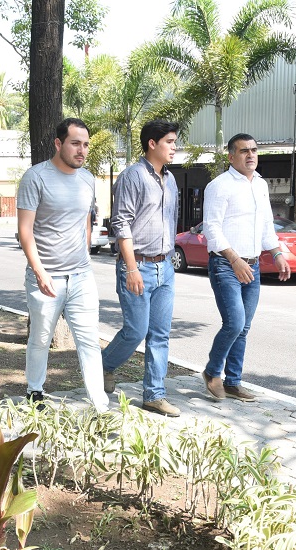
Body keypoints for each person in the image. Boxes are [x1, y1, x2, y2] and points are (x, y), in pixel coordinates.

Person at [16, 118, 109, 413]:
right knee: (41, 338)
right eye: (75, 144)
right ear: (58, 144)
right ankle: (35, 390)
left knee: (90, 341)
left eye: (85, 145)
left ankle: (99, 403)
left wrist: (85, 253)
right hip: (47, 276)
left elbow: (84, 219)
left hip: (81, 274)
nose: (81, 151)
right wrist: (40, 271)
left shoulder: (88, 179)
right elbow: (25, 231)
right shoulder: (36, 177)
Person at [201, 133, 291, 403]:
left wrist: (277, 253)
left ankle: (233, 382)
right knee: (235, 322)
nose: (250, 155)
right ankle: (212, 372)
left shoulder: (260, 186)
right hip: (226, 265)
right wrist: (234, 259)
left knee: (244, 327)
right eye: (243, 151)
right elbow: (211, 229)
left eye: (254, 150)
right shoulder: (219, 186)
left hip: (253, 266)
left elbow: (265, 226)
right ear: (231, 156)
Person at [102, 119, 180, 417]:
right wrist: (132, 268)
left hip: (165, 267)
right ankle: (104, 364)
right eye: (169, 142)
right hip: (138, 266)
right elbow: (120, 222)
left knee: (160, 334)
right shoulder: (131, 177)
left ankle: (154, 395)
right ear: (152, 143)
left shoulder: (170, 179)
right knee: (136, 331)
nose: (174, 147)